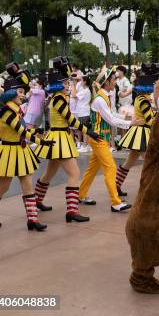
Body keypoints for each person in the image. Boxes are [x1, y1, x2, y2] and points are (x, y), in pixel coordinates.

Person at [0, 65, 55, 231]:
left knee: (28, 184)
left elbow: (23, 129)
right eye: (21, 92)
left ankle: (32, 219)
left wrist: (36, 132)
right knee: (3, 187)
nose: (23, 96)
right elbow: (20, 130)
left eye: (24, 92)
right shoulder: (7, 111)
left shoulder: (16, 110)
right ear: (12, 93)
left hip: (20, 150)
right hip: (8, 152)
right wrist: (40, 140)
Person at [33, 57, 100, 222]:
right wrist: (88, 131)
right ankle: (71, 211)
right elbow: (71, 119)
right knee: (74, 173)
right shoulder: (58, 98)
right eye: (66, 83)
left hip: (59, 136)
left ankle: (36, 201)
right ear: (59, 85)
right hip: (59, 138)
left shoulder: (58, 98)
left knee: (49, 173)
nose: (68, 85)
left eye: (68, 83)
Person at [78, 67, 132, 212]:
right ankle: (116, 202)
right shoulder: (100, 99)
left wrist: (125, 118)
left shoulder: (104, 96)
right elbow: (111, 120)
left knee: (92, 169)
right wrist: (130, 124)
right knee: (111, 167)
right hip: (98, 138)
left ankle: (81, 195)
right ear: (107, 82)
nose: (115, 81)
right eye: (113, 79)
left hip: (101, 138)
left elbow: (112, 115)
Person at [116, 64, 159, 196]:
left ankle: (116, 185)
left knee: (130, 161)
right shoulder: (144, 100)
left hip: (139, 133)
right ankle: (148, 188)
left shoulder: (141, 99)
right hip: (142, 133)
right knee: (150, 162)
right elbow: (150, 120)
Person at [73, 75, 93, 152]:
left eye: (81, 80)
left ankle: (85, 146)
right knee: (83, 129)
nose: (80, 81)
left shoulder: (85, 91)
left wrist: (73, 85)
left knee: (85, 130)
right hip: (82, 112)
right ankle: (85, 145)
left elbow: (74, 95)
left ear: (84, 82)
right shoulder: (85, 90)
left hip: (84, 112)